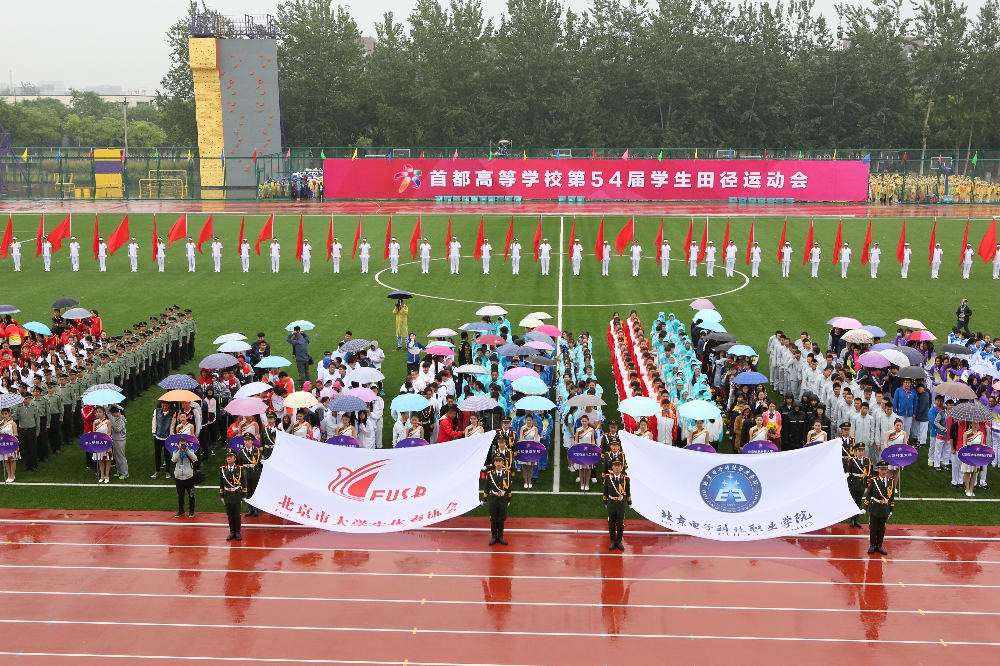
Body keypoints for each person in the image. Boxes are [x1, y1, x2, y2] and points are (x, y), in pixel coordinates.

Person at [863, 460, 894, 555]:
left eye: (885, 469)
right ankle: (872, 545)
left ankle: (879, 545)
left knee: (881, 527)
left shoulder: (891, 482)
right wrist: (865, 507)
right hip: (875, 507)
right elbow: (868, 495)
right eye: (882, 469)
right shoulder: (873, 481)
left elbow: (891, 497)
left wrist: (891, 509)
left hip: (885, 508)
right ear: (878, 470)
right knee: (873, 527)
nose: (884, 472)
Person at [483, 455, 512, 546]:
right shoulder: (490, 474)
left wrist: (509, 499)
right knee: (493, 518)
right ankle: (494, 537)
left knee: (501, 518)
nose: (498, 463)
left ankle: (501, 537)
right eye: (497, 461)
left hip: (503, 498)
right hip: (494, 498)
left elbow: (509, 488)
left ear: (503, 462)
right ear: (494, 463)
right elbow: (487, 488)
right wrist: (484, 499)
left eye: (500, 461)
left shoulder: (507, 473)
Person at [603, 458, 630, 551]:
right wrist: (605, 501)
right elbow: (605, 491)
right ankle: (612, 541)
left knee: (620, 523)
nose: (617, 467)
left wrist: (629, 502)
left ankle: (619, 541)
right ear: (612, 467)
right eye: (615, 466)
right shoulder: (608, 477)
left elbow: (628, 491)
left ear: (622, 467)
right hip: (611, 502)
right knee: (611, 523)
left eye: (619, 466)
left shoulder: (625, 478)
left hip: (621, 503)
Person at [220, 449, 245, 541]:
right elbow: (221, 484)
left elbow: (244, 482)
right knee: (230, 514)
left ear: (235, 458)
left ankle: (237, 532)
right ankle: (232, 532)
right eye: (228, 457)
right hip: (227, 494)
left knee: (237, 514)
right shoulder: (223, 469)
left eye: (231, 457)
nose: (229, 459)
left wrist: (243, 494)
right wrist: (222, 495)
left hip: (236, 494)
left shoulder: (240, 469)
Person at [845, 445, 871, 528]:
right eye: (859, 451)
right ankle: (852, 518)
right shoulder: (852, 460)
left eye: (862, 451)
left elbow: (868, 474)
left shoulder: (867, 461)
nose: (861, 452)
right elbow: (849, 471)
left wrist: (867, 486)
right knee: (853, 500)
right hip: (853, 482)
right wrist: (846, 476)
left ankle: (857, 518)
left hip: (862, 483)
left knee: (859, 501)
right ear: (856, 451)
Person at [237, 433, 262, 515]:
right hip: (245, 473)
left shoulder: (257, 451)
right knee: (248, 492)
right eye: (245, 440)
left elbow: (260, 464)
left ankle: (256, 509)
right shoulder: (241, 452)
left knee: (255, 491)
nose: (247, 442)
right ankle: (250, 508)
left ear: (252, 441)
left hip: (255, 473)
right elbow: (239, 465)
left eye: (248, 440)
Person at [172, 438, 198, 517]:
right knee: (180, 495)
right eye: (181, 444)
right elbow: (173, 460)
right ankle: (181, 510)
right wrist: (179, 451)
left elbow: (195, 459)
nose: (183, 445)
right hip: (178, 477)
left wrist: (187, 450)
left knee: (191, 494)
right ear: (178, 445)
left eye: (184, 444)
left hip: (189, 477)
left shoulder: (191, 451)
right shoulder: (175, 452)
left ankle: (191, 510)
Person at [961, 422, 984, 497]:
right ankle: (967, 489)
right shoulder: (967, 433)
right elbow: (963, 445)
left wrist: (983, 446)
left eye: (977, 424)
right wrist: (968, 445)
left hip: (976, 456)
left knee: (974, 472)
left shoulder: (981, 434)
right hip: (968, 455)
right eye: (974, 424)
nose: (976, 425)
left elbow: (981, 445)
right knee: (967, 472)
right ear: (971, 424)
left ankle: (971, 489)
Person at [92, 406, 113, 483]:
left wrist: (105, 437)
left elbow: (110, 432)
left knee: (107, 459)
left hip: (107, 443)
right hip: (98, 443)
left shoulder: (107, 421)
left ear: (104, 412)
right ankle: (102, 476)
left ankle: (107, 476)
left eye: (99, 412)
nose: (98, 413)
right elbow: (94, 432)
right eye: (96, 412)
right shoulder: (95, 422)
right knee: (100, 459)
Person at [519, 413, 539, 488]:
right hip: (524, 449)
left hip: (532, 449)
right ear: (525, 420)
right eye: (528, 420)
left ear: (532, 421)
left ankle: (530, 481)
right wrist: (519, 442)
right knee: (524, 465)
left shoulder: (535, 429)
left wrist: (536, 441)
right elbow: (521, 438)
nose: (529, 421)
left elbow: (536, 438)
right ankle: (525, 481)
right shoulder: (523, 428)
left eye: (530, 420)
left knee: (531, 466)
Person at [108, 405, 128, 480]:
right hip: (115, 439)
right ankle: (119, 471)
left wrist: (111, 425)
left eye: (112, 414)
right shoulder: (116, 418)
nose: (112, 415)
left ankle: (125, 473)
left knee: (121, 457)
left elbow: (118, 429)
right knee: (116, 457)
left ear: (116, 412)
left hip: (120, 440)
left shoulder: (121, 419)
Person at [1, 407, 20, 483]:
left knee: (12, 459)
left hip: (12, 443)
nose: (4, 415)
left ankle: (12, 475)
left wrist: (9, 434)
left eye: (6, 414)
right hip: (4, 444)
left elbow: (16, 434)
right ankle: (8, 475)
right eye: (3, 414)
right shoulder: (1, 423)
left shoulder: (12, 423)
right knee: (6, 459)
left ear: (9, 414)